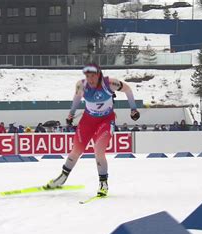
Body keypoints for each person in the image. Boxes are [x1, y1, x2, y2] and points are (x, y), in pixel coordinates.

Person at [44, 63, 140, 197]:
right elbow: (77, 98)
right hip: (88, 121)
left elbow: (128, 90)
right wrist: (71, 114)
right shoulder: (81, 85)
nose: (90, 79)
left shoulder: (110, 83)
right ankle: (62, 177)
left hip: (106, 121)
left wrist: (133, 109)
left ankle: (103, 183)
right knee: (76, 150)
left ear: (99, 74)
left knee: (98, 150)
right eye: (88, 76)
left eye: (93, 76)